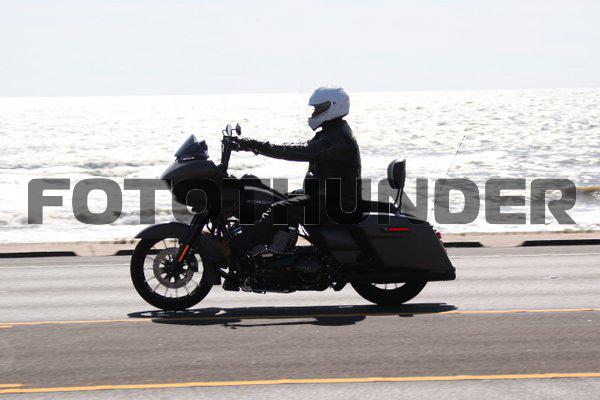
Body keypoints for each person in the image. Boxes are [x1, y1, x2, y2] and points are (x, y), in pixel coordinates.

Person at [213, 86, 362, 262]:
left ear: (333, 106)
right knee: (253, 184)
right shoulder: (333, 131)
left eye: (318, 108)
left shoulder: (338, 138)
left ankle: (234, 248)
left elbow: (299, 151)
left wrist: (253, 145)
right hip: (321, 195)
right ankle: (261, 248)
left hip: (333, 204)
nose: (314, 112)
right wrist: (248, 144)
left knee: (279, 209)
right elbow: (299, 146)